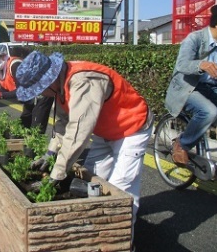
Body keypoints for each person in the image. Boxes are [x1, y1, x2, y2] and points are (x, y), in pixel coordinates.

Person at [15, 50, 153, 227]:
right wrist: (51, 152)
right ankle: (94, 227)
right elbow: (64, 120)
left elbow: (78, 131)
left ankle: (124, 238)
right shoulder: (62, 83)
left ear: (48, 82)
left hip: (132, 127)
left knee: (120, 190)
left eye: (39, 90)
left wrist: (55, 175)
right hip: (105, 131)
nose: (40, 95)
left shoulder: (83, 81)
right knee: (91, 178)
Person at [165, 4, 217, 166]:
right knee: (209, 112)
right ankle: (182, 143)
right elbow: (181, 64)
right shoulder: (194, 38)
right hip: (188, 88)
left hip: (211, 87)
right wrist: (201, 65)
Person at [0, 44, 54, 134]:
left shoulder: (14, 65)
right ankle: (25, 142)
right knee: (24, 121)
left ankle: (34, 143)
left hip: (42, 93)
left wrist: (0, 95)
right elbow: (6, 87)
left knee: (37, 124)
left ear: (1, 55)